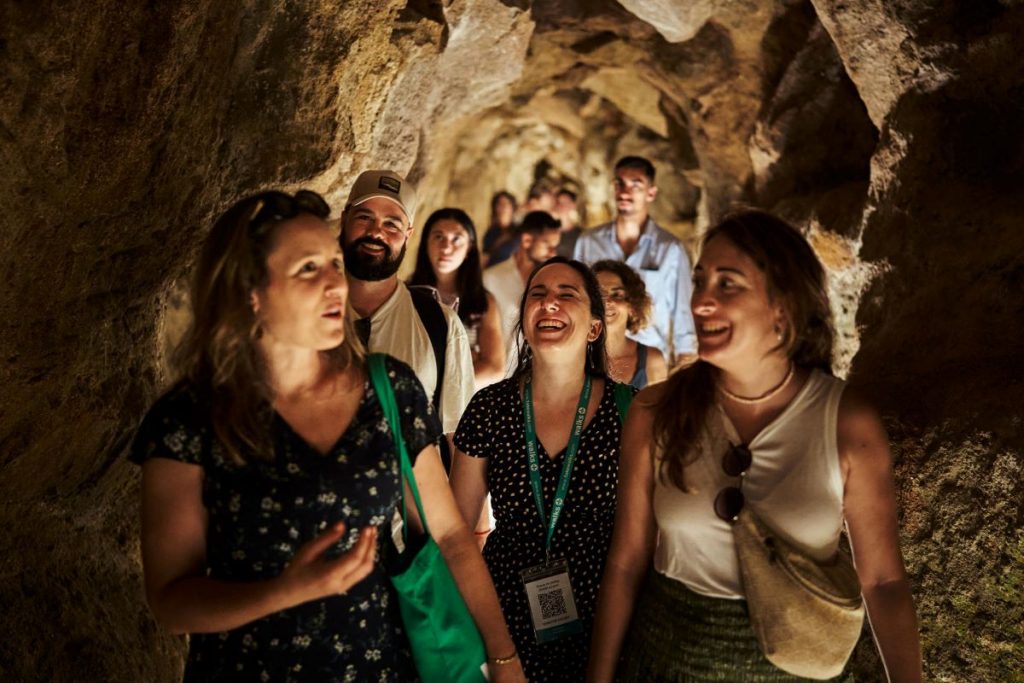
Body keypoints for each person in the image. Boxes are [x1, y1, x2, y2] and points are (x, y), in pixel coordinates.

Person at [130, 190, 526, 682]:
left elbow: (450, 536)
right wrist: (285, 590)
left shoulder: (388, 391)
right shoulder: (190, 419)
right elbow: (170, 602)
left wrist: (504, 659)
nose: (335, 284)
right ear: (250, 289)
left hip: (378, 666)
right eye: (308, 269)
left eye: (335, 265)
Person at [588, 211, 922, 682]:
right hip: (665, 664)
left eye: (728, 284)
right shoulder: (655, 412)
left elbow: (883, 582)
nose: (701, 300)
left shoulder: (846, 424)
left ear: (782, 305)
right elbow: (626, 564)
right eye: (701, 280)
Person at [451, 256, 636, 683]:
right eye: (538, 294)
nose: (549, 303)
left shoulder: (631, 411)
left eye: (566, 295)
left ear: (594, 328)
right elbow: (457, 536)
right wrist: (497, 653)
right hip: (504, 627)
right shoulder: (488, 408)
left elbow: (644, 545)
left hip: (604, 625)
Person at [340, 170, 475, 470]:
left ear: (409, 235)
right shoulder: (306, 313)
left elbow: (460, 440)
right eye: (365, 217)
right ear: (344, 219)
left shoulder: (439, 324)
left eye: (392, 224)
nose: (376, 232)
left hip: (407, 512)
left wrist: (470, 518)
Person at [573, 156, 697, 364]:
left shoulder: (670, 249)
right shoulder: (589, 242)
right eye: (619, 184)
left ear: (651, 193)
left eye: (635, 185)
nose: (625, 192)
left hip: (649, 360)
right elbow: (577, 299)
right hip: (595, 358)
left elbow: (683, 313)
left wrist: (686, 362)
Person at [408, 207, 506, 388]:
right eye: (438, 237)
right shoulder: (406, 294)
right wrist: (467, 362)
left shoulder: (482, 302)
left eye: (456, 239)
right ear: (425, 243)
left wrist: (442, 388)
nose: (446, 247)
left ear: (470, 247)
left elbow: (494, 368)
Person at [482, 211, 562, 363]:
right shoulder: (490, 279)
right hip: (500, 374)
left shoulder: (553, 282)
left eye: (555, 246)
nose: (553, 252)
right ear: (526, 240)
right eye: (547, 245)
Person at [592, 259, 667, 388]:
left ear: (632, 306)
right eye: (599, 295)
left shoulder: (652, 362)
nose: (607, 302)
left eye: (617, 295)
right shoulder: (571, 358)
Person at [482, 190, 518, 266]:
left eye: (507, 204)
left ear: (512, 207)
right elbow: (485, 256)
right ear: (495, 208)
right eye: (500, 204)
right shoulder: (490, 233)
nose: (503, 207)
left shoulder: (519, 232)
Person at [554, 188, 583, 259]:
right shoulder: (548, 232)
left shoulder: (581, 235)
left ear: (573, 205)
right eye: (558, 202)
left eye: (565, 202)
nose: (561, 206)